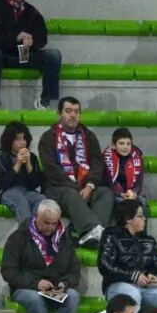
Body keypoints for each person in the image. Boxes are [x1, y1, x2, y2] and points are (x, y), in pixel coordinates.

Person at [1, 199, 82, 313]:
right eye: (46, 222)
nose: (50, 228)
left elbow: (74, 269)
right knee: (34, 299)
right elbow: (8, 271)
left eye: (54, 223)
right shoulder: (19, 237)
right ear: (36, 216)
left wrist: (65, 283)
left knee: (73, 296)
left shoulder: (64, 239)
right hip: (26, 288)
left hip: (53, 290)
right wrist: (35, 283)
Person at [98, 198, 157, 313]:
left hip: (144, 287)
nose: (144, 219)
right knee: (132, 294)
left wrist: (156, 276)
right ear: (128, 219)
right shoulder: (110, 236)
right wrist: (133, 276)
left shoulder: (149, 240)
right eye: (140, 216)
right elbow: (104, 265)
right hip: (117, 286)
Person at [38, 97, 107, 245]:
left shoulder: (88, 136)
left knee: (105, 193)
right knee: (70, 193)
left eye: (76, 112)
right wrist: (78, 188)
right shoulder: (47, 138)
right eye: (68, 111)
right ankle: (92, 229)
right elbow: (52, 171)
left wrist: (89, 185)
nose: (73, 115)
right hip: (57, 189)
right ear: (59, 114)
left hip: (85, 188)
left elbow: (97, 164)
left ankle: (92, 234)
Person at [0, 122, 47, 223]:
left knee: (42, 199)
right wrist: (17, 164)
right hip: (7, 192)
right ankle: (28, 233)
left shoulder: (32, 157)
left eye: (24, 138)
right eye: (18, 139)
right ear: (9, 141)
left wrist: (28, 164)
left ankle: (36, 231)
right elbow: (2, 184)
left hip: (27, 192)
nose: (22, 142)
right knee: (20, 200)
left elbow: (34, 184)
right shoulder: (0, 157)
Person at [103, 128, 146, 211]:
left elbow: (138, 183)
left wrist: (134, 193)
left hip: (131, 194)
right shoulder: (106, 159)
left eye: (128, 144)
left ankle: (140, 224)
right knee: (121, 202)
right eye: (121, 143)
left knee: (142, 201)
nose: (125, 147)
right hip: (114, 194)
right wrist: (120, 194)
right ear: (114, 145)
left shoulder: (138, 159)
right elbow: (106, 183)